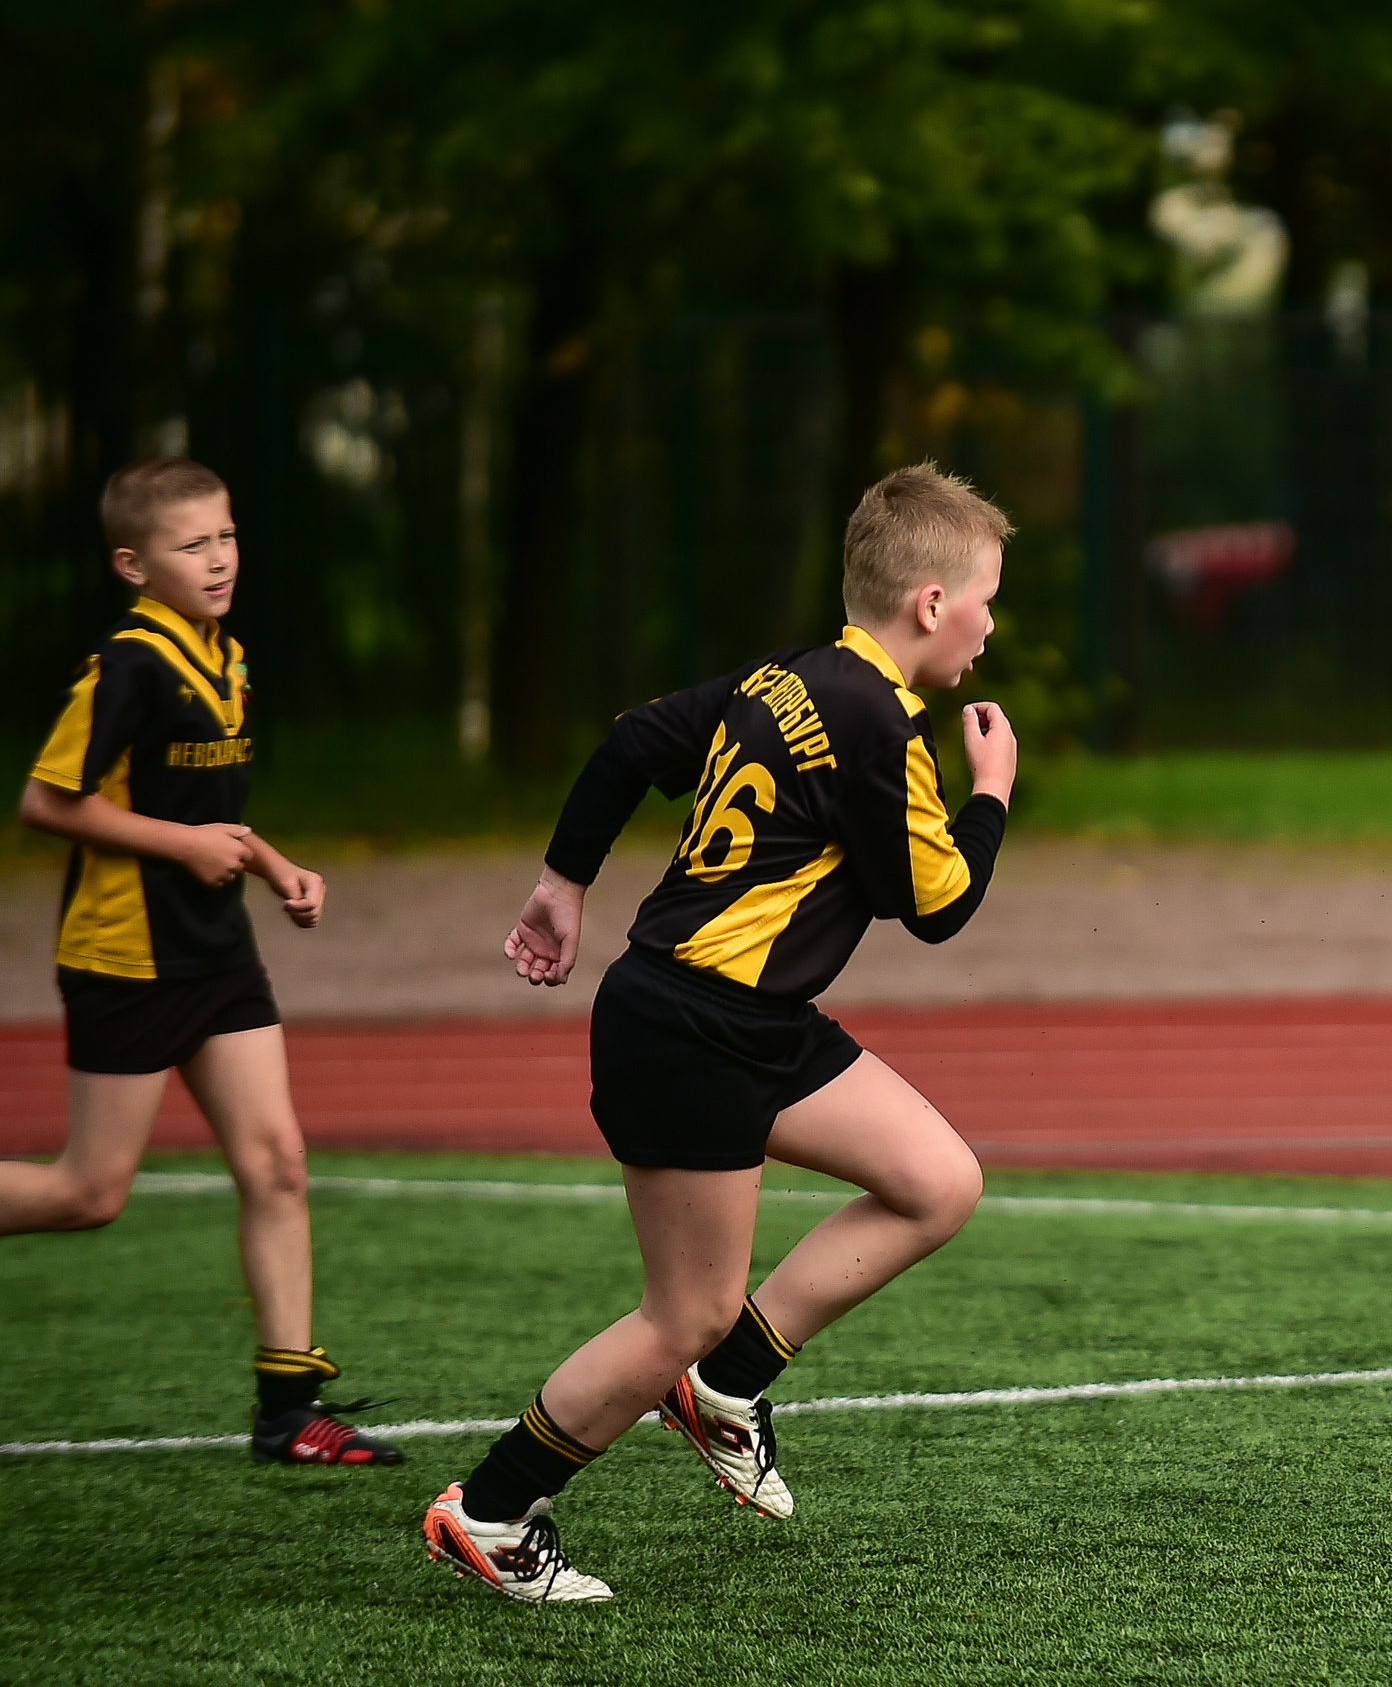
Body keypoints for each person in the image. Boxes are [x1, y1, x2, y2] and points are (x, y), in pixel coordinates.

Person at [422, 462, 1017, 1604]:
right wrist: (990, 789)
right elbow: (939, 906)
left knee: (937, 1182)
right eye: (986, 600)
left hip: (749, 1019)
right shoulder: (879, 721)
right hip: (694, 1028)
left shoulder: (786, 678)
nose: (991, 627)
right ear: (933, 602)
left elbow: (631, 743)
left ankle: (726, 1387)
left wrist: (562, 883)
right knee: (683, 1311)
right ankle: (489, 1513)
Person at [5, 456, 399, 1466]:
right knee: (88, 1193)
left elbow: (204, 805)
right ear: (133, 565)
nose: (219, 558)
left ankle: (288, 1412)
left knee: (277, 1165)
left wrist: (272, 863)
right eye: (192, 545)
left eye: (226, 536)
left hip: (219, 953)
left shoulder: (224, 656)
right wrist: (184, 848)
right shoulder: (129, 664)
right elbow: (46, 802)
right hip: (127, 957)